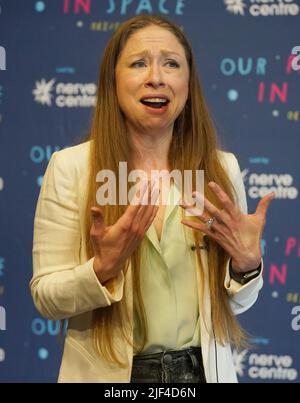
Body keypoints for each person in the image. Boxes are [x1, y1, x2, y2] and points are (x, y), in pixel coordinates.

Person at [30, 15, 273, 383]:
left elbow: (234, 304)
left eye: (171, 64)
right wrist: (101, 270)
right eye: (139, 63)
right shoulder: (70, 168)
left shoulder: (221, 171)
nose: (156, 77)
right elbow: (47, 298)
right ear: (113, 81)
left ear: (188, 83)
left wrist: (246, 266)